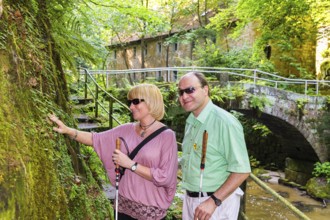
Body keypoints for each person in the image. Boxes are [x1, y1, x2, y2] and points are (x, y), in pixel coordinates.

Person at [49, 84, 178, 220]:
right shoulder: (126, 129)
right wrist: (68, 130)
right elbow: (95, 139)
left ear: (151, 101)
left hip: (150, 212)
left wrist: (131, 165)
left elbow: (165, 176)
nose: (131, 107)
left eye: (135, 102)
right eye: (130, 103)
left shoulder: (167, 136)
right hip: (123, 207)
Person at [178, 72, 251, 220]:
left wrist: (213, 201)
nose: (184, 96)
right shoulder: (191, 122)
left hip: (216, 205)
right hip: (191, 200)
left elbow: (242, 170)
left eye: (190, 90)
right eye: (181, 92)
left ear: (205, 90)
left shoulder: (225, 122)